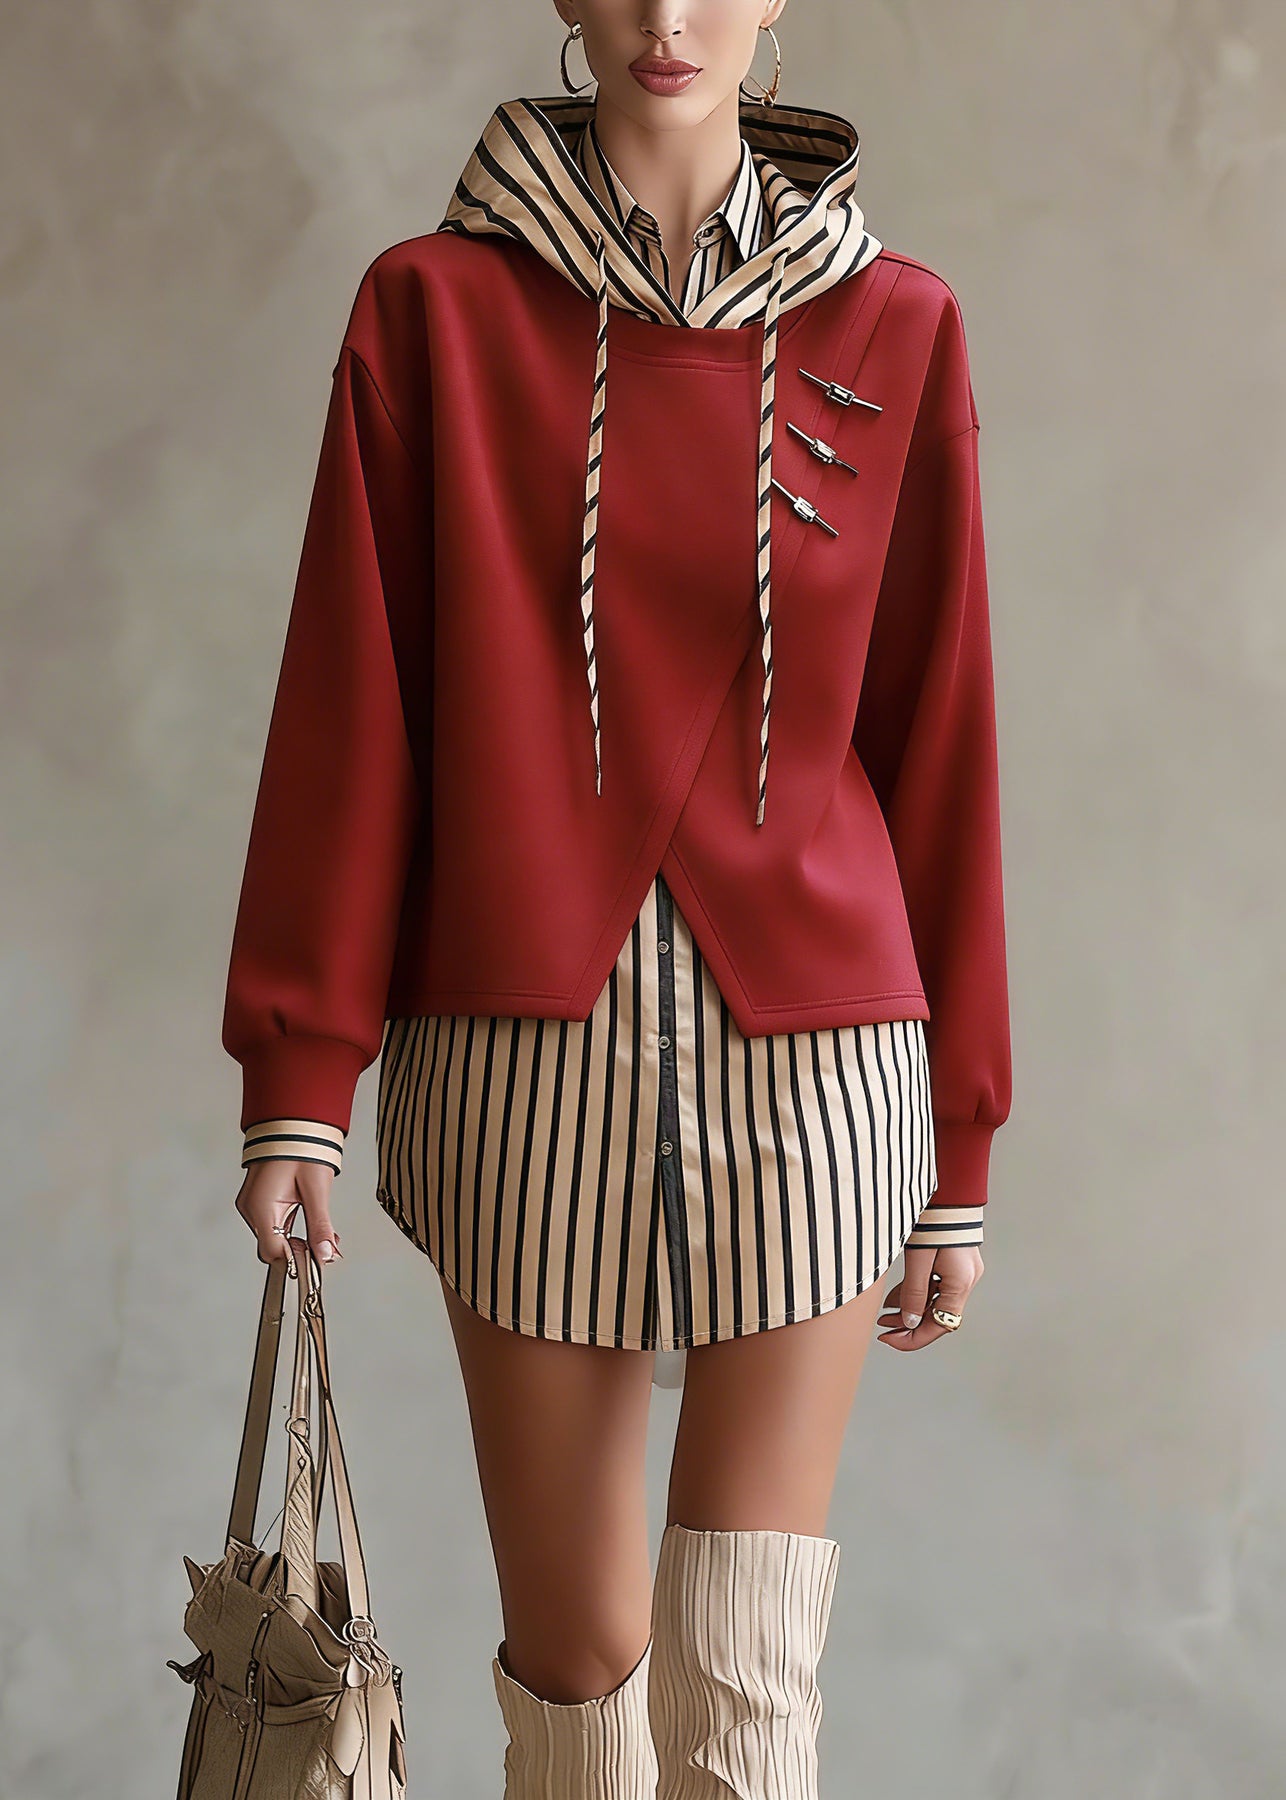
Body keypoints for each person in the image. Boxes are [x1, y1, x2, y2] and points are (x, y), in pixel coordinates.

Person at [222, 2, 1013, 1794]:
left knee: (749, 1667)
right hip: (519, 1043)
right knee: (578, 1677)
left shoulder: (894, 320)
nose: (668, 18)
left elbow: (938, 734)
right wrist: (300, 1071)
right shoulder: (429, 308)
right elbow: (354, 701)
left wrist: (959, 1142)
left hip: (819, 1045)